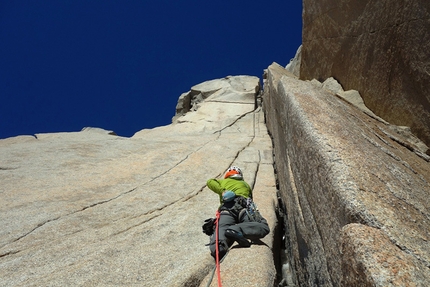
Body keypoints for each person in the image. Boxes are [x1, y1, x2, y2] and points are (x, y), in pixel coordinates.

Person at [205, 166, 270, 259]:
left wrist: (223, 192)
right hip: (243, 207)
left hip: (226, 209)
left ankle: (217, 248)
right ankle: (237, 229)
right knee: (263, 227)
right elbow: (250, 199)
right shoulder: (245, 184)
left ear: (227, 175)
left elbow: (210, 181)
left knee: (222, 228)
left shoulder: (223, 182)